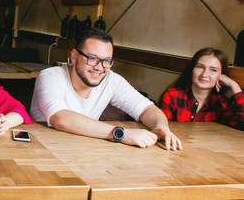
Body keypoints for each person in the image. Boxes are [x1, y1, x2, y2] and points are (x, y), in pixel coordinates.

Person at [30, 28, 182, 150]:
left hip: (82, 151)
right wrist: (120, 134)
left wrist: (161, 128)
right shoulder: (50, 76)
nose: (99, 68)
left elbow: (147, 108)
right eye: (92, 58)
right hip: (43, 151)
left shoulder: (111, 80)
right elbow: (60, 118)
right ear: (74, 56)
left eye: (106, 61)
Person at [159, 47, 244, 130]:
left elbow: (242, 125)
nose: (204, 74)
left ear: (222, 75)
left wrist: (234, 85)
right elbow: (163, 130)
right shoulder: (171, 96)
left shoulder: (222, 103)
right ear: (192, 70)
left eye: (213, 70)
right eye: (200, 67)